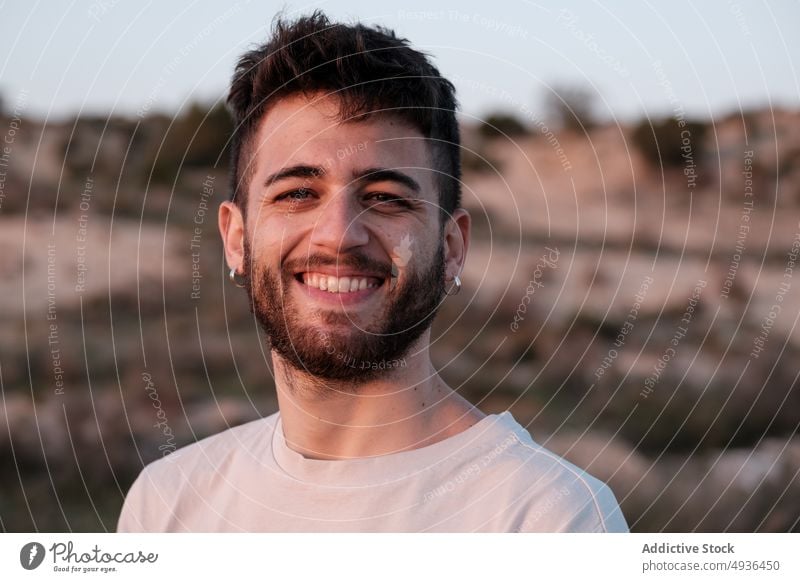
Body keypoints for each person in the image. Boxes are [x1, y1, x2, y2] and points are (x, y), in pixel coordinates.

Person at [117, 11, 628, 533]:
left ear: (451, 247)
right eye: (297, 193)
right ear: (236, 239)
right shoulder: (165, 504)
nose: (338, 234)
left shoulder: (547, 519)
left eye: (385, 199)